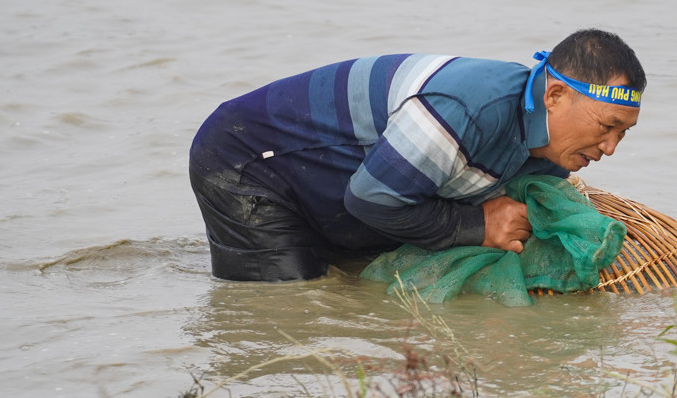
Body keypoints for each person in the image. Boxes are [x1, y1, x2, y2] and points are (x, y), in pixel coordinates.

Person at [188, 28, 645, 282]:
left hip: (338, 185)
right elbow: (371, 200)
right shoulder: (467, 110)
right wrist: (476, 225)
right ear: (555, 96)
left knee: (350, 289)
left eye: (623, 134)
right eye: (606, 127)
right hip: (248, 159)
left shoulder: (554, 152)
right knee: (291, 307)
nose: (610, 148)